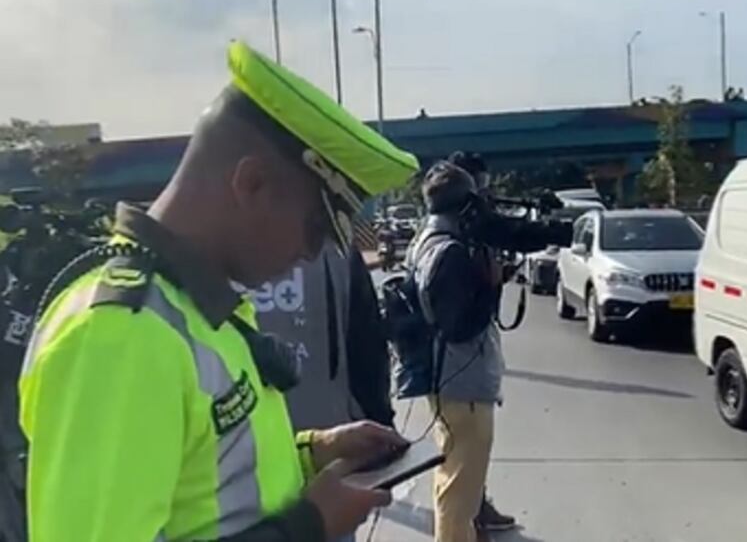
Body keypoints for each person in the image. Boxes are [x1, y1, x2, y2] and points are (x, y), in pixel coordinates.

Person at [17, 40, 419, 542]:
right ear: (252, 184)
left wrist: (311, 453)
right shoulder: (120, 337)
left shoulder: (191, 310)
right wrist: (307, 526)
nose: (311, 253)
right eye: (316, 228)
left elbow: (199, 480)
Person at [407, 160, 512, 542]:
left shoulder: (425, 241)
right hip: (462, 384)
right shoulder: (449, 251)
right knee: (460, 494)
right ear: (465, 205)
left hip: (448, 380)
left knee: (451, 481)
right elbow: (459, 325)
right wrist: (491, 286)